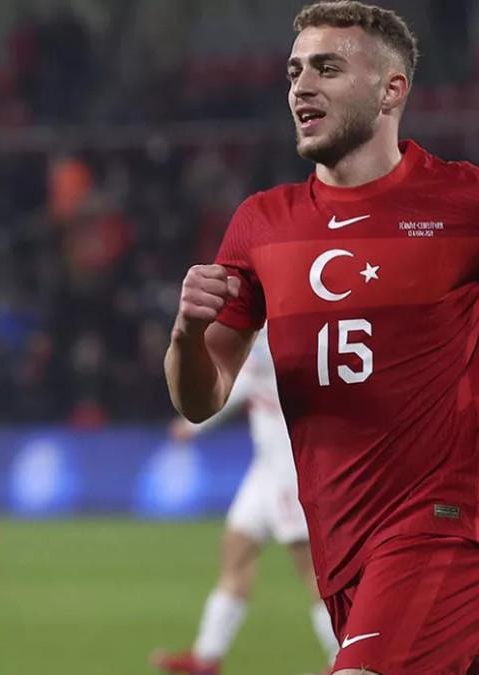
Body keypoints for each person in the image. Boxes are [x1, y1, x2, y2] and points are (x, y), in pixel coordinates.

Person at [165, 2, 479, 673]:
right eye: (295, 71)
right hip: (341, 539)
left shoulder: (461, 203)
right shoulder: (262, 223)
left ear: (391, 90)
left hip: (440, 526)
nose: (301, 87)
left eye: (327, 69)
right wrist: (188, 333)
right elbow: (200, 398)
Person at [152, 329, 338, 674]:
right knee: (235, 553)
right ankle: (206, 658)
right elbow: (242, 382)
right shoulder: (264, 333)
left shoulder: (277, 337)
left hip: (291, 474)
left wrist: (191, 427)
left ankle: (340, 658)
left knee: (313, 573)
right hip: (264, 471)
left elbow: (236, 385)